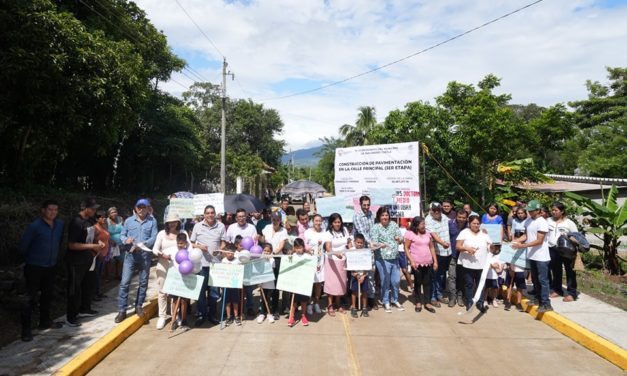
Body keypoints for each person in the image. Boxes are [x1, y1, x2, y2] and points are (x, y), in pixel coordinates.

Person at [19, 200, 65, 341]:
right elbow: (23, 247)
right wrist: (31, 259)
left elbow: (60, 241)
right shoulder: (35, 227)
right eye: (50, 209)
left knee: (47, 295)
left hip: (51, 266)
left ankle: (45, 321)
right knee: (30, 297)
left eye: (55, 210)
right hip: (34, 267)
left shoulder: (59, 225)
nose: (53, 212)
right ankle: (26, 330)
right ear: (43, 210)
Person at [115, 198, 158, 323]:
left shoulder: (152, 221)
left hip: (145, 256)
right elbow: (122, 235)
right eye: (139, 207)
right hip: (130, 255)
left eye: (143, 207)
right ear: (135, 208)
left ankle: (138, 306)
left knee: (143, 282)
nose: (141, 209)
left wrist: (144, 244)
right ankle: (122, 310)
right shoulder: (128, 221)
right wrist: (125, 240)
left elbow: (154, 237)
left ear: (147, 208)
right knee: (124, 283)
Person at [66, 198, 105, 327]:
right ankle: (71, 316)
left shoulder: (89, 221)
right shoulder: (76, 222)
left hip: (88, 259)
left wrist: (97, 242)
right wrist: (92, 247)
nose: (95, 211)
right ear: (85, 208)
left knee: (88, 284)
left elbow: (90, 237)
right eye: (93, 208)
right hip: (76, 261)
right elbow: (72, 245)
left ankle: (85, 308)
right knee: (74, 288)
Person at [512, 200, 553, 312]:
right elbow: (526, 235)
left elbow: (539, 240)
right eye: (528, 211)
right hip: (532, 255)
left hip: (541, 257)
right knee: (535, 279)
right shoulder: (528, 221)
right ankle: (537, 299)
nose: (529, 212)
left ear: (538, 210)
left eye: (532, 211)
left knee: (543, 280)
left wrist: (523, 246)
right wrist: (516, 241)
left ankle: (546, 303)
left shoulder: (542, 222)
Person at [190, 205, 226, 326]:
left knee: (214, 292)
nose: (210, 215)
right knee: (200, 292)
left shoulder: (220, 226)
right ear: (204, 215)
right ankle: (201, 314)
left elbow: (223, 242)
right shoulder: (197, 226)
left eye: (212, 213)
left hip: (215, 264)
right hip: (201, 264)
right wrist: (200, 247)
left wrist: (220, 249)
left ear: (215, 213)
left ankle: (212, 315)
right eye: (208, 213)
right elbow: (191, 243)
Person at [152, 213, 183, 330]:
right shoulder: (161, 233)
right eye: (170, 221)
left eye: (175, 221)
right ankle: (162, 316)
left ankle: (175, 315)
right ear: (166, 223)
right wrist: (162, 255)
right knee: (162, 291)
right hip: (163, 265)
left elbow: (188, 247)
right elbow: (155, 249)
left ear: (178, 222)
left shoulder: (182, 233)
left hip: (177, 267)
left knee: (175, 292)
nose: (172, 223)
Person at [225, 208, 258, 318]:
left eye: (243, 216)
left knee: (248, 287)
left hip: (248, 261)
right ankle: (237, 309)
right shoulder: (231, 227)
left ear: (246, 217)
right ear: (236, 218)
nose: (241, 218)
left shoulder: (252, 228)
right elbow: (228, 243)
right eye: (239, 216)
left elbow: (254, 244)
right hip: (235, 261)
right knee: (235, 287)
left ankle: (249, 307)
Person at [370, 206, 404, 313]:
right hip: (382, 258)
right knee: (385, 280)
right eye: (383, 215)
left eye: (386, 215)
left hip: (395, 257)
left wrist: (400, 239)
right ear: (379, 217)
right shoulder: (375, 227)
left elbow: (401, 238)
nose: (385, 217)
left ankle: (395, 299)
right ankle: (385, 301)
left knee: (396, 280)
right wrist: (381, 245)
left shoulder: (393, 225)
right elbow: (373, 243)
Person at [456, 215, 492, 313]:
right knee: (469, 284)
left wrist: (491, 248)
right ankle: (469, 302)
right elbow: (458, 246)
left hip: (482, 264)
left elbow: (490, 246)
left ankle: (480, 302)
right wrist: (467, 248)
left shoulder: (484, 234)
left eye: (478, 223)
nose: (476, 225)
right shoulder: (464, 232)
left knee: (480, 284)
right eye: (474, 223)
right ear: (469, 223)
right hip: (468, 264)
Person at [404, 216, 438, 313]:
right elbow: (406, 248)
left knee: (427, 283)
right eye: (422, 224)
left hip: (428, 262)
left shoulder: (427, 234)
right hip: (417, 263)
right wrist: (412, 261)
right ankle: (418, 302)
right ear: (416, 225)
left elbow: (431, 247)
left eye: (424, 223)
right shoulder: (410, 234)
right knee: (418, 283)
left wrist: (435, 261)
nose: (424, 225)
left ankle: (427, 303)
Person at [548, 202, 579, 302]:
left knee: (570, 271)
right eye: (552, 210)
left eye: (556, 210)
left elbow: (576, 236)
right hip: (552, 248)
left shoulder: (569, 223)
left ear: (562, 211)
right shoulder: (548, 221)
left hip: (567, 250)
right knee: (556, 270)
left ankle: (572, 293)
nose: (553, 212)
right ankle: (557, 290)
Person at [261, 212, 289, 318]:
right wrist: (258, 239)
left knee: (276, 285)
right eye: (273, 219)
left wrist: (273, 254)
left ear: (280, 220)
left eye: (277, 219)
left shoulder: (283, 231)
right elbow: (263, 240)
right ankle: (263, 309)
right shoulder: (267, 227)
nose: (275, 221)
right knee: (264, 284)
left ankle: (275, 309)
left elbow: (281, 246)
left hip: (277, 259)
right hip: (266, 257)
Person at [162, 233, 192, 331]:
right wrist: (165, 256)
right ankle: (174, 319)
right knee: (174, 301)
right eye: (178, 243)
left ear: (186, 243)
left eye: (182, 243)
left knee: (184, 301)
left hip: (185, 279)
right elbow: (161, 253)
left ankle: (183, 320)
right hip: (175, 279)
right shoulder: (173, 251)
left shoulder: (189, 252)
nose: (180, 245)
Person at [324, 213, 351, 316]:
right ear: (331, 223)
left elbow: (349, 242)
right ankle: (330, 305)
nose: (337, 224)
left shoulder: (345, 230)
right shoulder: (328, 233)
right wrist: (336, 254)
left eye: (339, 222)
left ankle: (338, 304)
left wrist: (351, 247)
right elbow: (328, 248)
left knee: (341, 283)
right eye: (335, 222)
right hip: (332, 261)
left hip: (342, 260)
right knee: (332, 284)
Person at [425, 202, 451, 307]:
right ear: (430, 210)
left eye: (438, 210)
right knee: (433, 276)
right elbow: (433, 235)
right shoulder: (428, 220)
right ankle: (433, 297)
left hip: (447, 253)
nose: (436, 212)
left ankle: (439, 295)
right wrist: (442, 243)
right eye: (434, 210)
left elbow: (452, 225)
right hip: (436, 252)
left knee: (441, 275)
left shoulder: (444, 216)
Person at [304, 214, 327, 315]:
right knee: (309, 283)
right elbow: (304, 246)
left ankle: (317, 303)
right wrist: (306, 249)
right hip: (309, 261)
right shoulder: (307, 232)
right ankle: (309, 304)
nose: (318, 223)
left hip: (320, 261)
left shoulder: (324, 232)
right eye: (316, 221)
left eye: (320, 221)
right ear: (312, 221)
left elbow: (327, 246)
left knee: (318, 284)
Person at [287, 238, 312, 327]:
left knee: (303, 301)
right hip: (294, 283)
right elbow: (287, 265)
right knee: (293, 301)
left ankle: (303, 315)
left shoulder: (307, 256)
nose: (299, 250)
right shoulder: (292, 256)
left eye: (300, 248)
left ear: (304, 247)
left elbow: (311, 266)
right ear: (294, 248)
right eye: (297, 248)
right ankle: (291, 316)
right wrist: (289, 256)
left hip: (304, 283)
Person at [447, 209, 468, 307]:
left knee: (462, 277)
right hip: (453, 255)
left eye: (464, 218)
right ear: (456, 216)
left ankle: (460, 297)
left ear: (466, 218)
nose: (461, 219)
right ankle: (452, 297)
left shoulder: (469, 226)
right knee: (452, 277)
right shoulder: (450, 224)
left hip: (465, 257)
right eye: (459, 217)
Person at [349, 234, 370, 318]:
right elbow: (350, 263)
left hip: (364, 275)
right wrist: (356, 275)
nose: (360, 244)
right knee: (354, 292)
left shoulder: (366, 251)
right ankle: (353, 307)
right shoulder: (351, 251)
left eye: (361, 243)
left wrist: (363, 276)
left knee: (364, 292)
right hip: (355, 275)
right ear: (354, 242)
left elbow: (368, 264)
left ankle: (364, 307)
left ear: (364, 243)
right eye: (358, 242)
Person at [221, 243, 241, 327]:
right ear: (225, 253)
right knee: (227, 302)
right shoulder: (223, 261)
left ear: (234, 253)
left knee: (235, 301)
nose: (230, 254)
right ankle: (229, 316)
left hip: (234, 284)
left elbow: (240, 272)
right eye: (228, 253)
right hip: (226, 285)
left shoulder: (237, 261)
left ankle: (236, 316)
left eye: (232, 253)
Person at [256, 243, 276, 324]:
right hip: (262, 282)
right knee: (262, 298)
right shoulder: (260, 258)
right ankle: (261, 314)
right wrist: (259, 281)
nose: (266, 252)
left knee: (269, 298)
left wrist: (268, 260)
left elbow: (272, 270)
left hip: (270, 282)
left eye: (268, 251)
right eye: (265, 250)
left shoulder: (272, 260)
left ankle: (269, 314)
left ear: (271, 252)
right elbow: (258, 270)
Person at [93, 210, 110, 301]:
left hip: (104, 254)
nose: (104, 218)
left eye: (104, 217)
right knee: (95, 275)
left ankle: (98, 291)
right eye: (101, 217)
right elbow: (93, 240)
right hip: (97, 255)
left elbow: (107, 239)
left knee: (99, 274)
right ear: (96, 219)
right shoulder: (95, 228)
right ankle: (94, 294)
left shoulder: (104, 226)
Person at [106, 207, 124, 280]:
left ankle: (118, 274)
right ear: (109, 214)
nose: (114, 214)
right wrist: (110, 240)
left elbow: (124, 229)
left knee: (120, 260)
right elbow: (104, 232)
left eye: (115, 212)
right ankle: (108, 276)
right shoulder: (106, 221)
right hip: (110, 244)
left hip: (121, 243)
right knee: (109, 260)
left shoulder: (120, 219)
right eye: (112, 212)